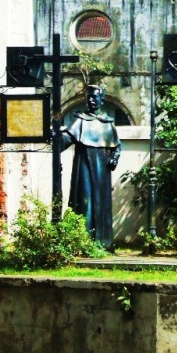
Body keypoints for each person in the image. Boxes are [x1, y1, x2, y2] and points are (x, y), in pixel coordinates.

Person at [60, 85, 121, 251]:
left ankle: (103, 243)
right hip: (85, 166)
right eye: (89, 98)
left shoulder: (108, 122)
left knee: (102, 204)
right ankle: (84, 242)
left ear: (102, 99)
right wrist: (56, 137)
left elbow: (116, 145)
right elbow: (67, 139)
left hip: (103, 170)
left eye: (95, 97)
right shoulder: (80, 120)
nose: (92, 100)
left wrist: (114, 158)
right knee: (84, 201)